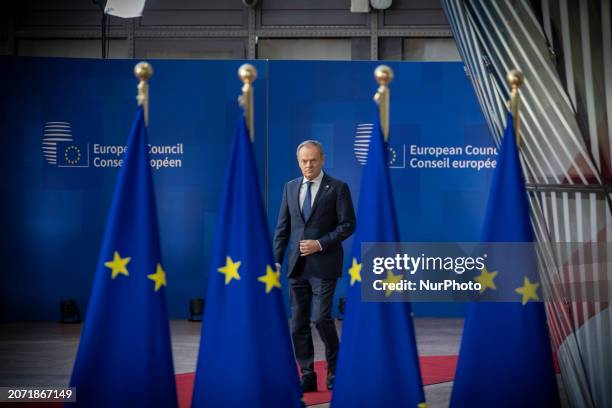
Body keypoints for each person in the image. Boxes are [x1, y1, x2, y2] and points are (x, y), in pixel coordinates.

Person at [273, 140, 356, 393]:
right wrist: (276, 261)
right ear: (298, 162)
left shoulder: (338, 188)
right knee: (298, 324)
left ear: (322, 159)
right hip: (296, 268)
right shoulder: (290, 187)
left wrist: (319, 244)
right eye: (303, 161)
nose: (308, 165)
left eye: (312, 160)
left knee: (321, 319)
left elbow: (348, 225)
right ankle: (307, 374)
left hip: (324, 265)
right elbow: (283, 228)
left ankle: (334, 369)